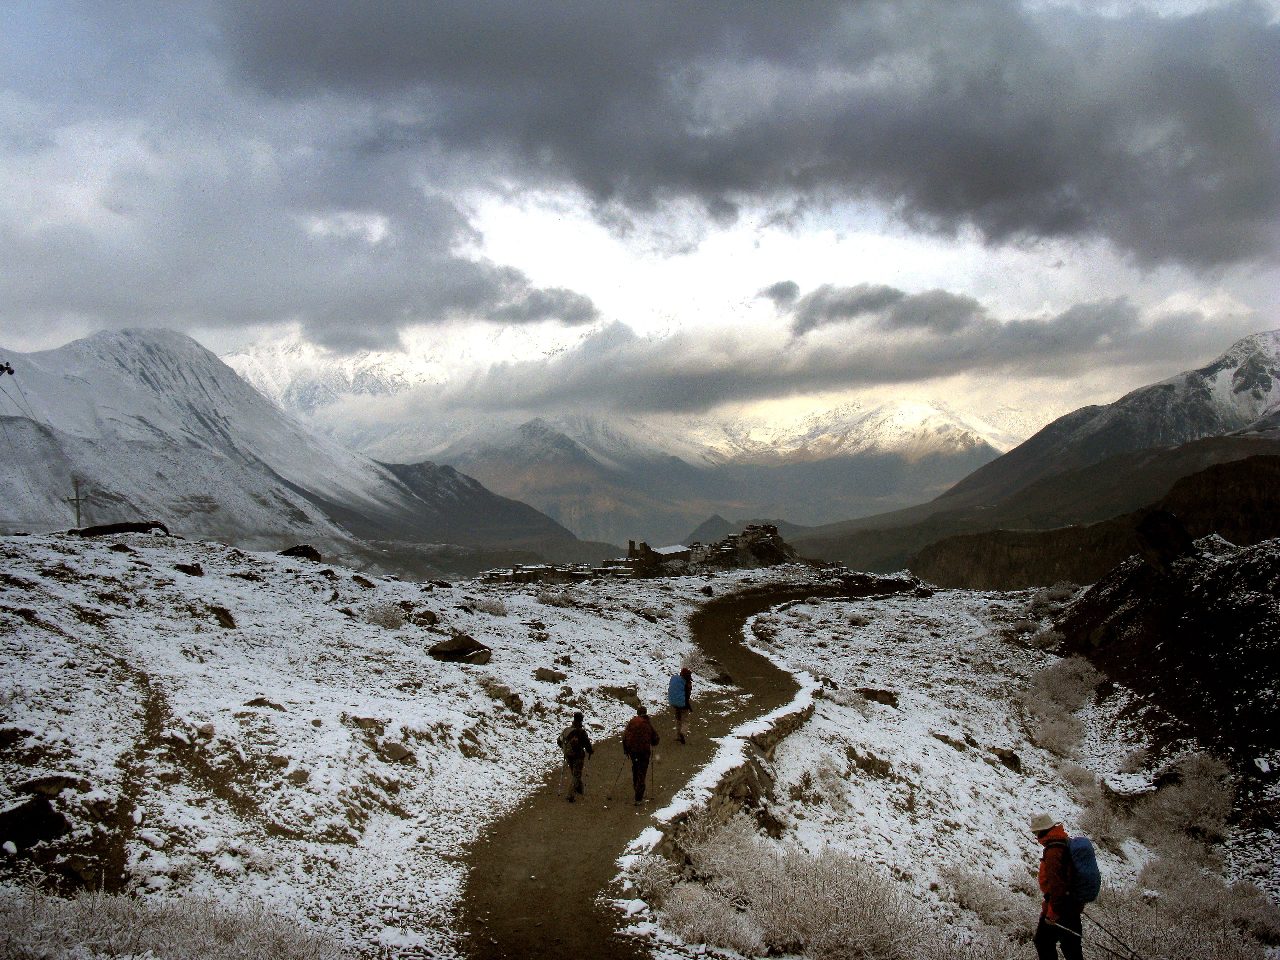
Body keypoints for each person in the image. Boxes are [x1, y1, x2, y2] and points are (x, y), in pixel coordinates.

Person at [1030, 812, 1083, 960]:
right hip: (1071, 904)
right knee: (1072, 948)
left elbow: (1057, 885)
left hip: (1059, 907)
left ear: (1042, 831)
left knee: (1043, 942)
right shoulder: (1063, 842)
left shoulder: (1053, 850)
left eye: (1036, 832)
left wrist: (1052, 912)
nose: (1036, 836)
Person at [621, 704, 660, 805]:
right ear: (645, 713)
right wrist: (653, 742)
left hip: (633, 752)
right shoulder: (647, 724)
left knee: (635, 769)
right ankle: (638, 797)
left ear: (637, 713)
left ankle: (636, 787)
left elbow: (625, 736)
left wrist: (626, 749)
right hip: (644, 752)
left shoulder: (632, 722)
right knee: (642, 772)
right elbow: (655, 739)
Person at [556, 711, 593, 802]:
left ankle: (579, 789)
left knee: (574, 772)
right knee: (577, 774)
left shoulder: (567, 730)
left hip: (568, 754)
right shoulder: (581, 732)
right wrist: (590, 751)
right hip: (578, 755)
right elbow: (587, 744)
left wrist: (564, 748)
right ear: (581, 720)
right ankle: (570, 795)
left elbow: (559, 741)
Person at [667, 667, 694, 743]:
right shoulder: (687, 683)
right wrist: (688, 706)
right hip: (683, 704)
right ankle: (683, 732)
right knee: (685, 720)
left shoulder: (675, 679)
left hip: (674, 703)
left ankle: (678, 735)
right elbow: (687, 695)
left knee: (678, 719)